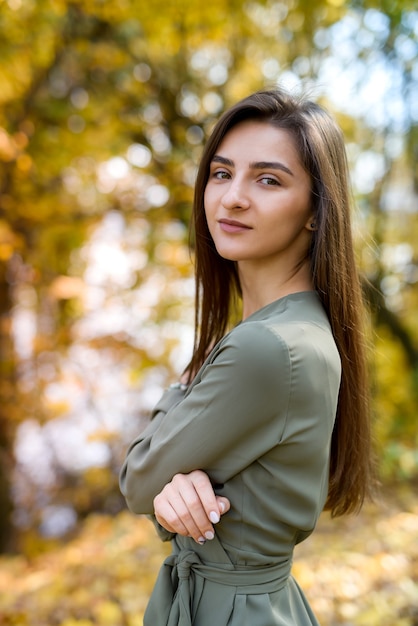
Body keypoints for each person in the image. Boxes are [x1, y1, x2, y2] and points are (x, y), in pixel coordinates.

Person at [119, 87, 374, 626]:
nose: (232, 197)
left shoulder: (268, 348)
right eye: (220, 173)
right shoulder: (295, 329)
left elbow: (138, 477)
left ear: (315, 211)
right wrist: (174, 497)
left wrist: (184, 387)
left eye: (268, 179)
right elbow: (157, 491)